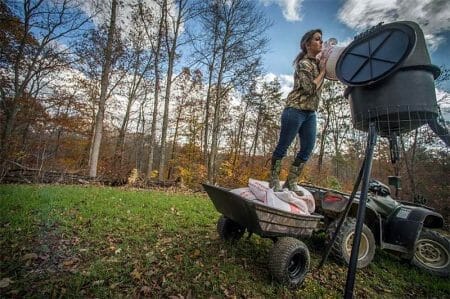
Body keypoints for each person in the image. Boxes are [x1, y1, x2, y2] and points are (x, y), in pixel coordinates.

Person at [270, 29, 327, 192]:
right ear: (307, 44)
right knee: (283, 146)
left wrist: (324, 66)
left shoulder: (318, 64)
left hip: (310, 113)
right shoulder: (304, 64)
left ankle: (291, 181)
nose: (321, 42)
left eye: (321, 40)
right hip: (295, 110)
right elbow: (310, 89)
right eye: (317, 39)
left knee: (308, 148)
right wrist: (322, 72)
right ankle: (274, 179)